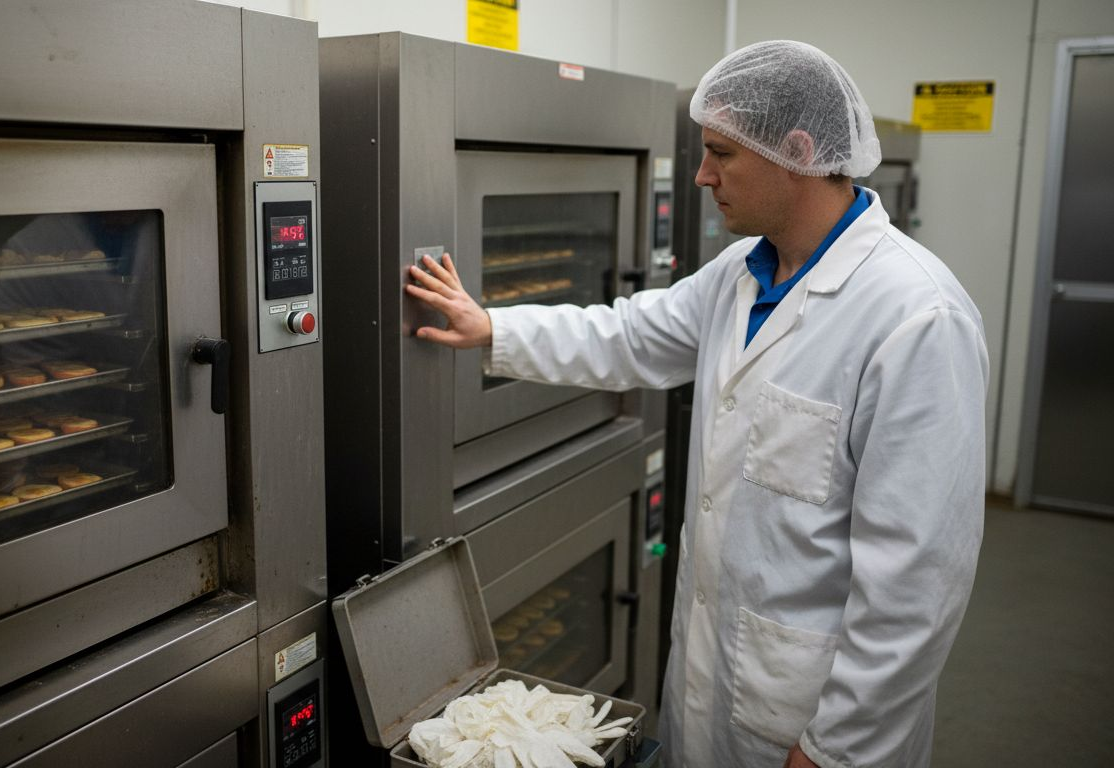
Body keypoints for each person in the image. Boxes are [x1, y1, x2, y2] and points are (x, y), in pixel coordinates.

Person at [406, 40, 988, 768]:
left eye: (721, 154)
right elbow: (629, 336)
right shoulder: (742, 274)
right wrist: (491, 328)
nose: (703, 176)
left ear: (797, 150)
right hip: (715, 683)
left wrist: (836, 748)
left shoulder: (915, 317)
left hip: (818, 718)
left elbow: (917, 579)